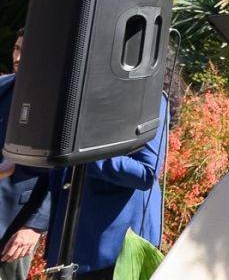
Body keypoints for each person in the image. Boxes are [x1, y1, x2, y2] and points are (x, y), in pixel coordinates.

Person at [44, 94, 167, 279]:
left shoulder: (149, 95)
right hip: (70, 244)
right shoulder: (79, 88)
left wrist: (80, 152)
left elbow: (145, 173)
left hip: (114, 253)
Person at [0, 30, 49, 280]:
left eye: (25, 50)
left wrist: (35, 226)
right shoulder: (3, 85)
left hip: (16, 221)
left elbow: (64, 173)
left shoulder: (58, 99)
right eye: (17, 49)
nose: (18, 56)